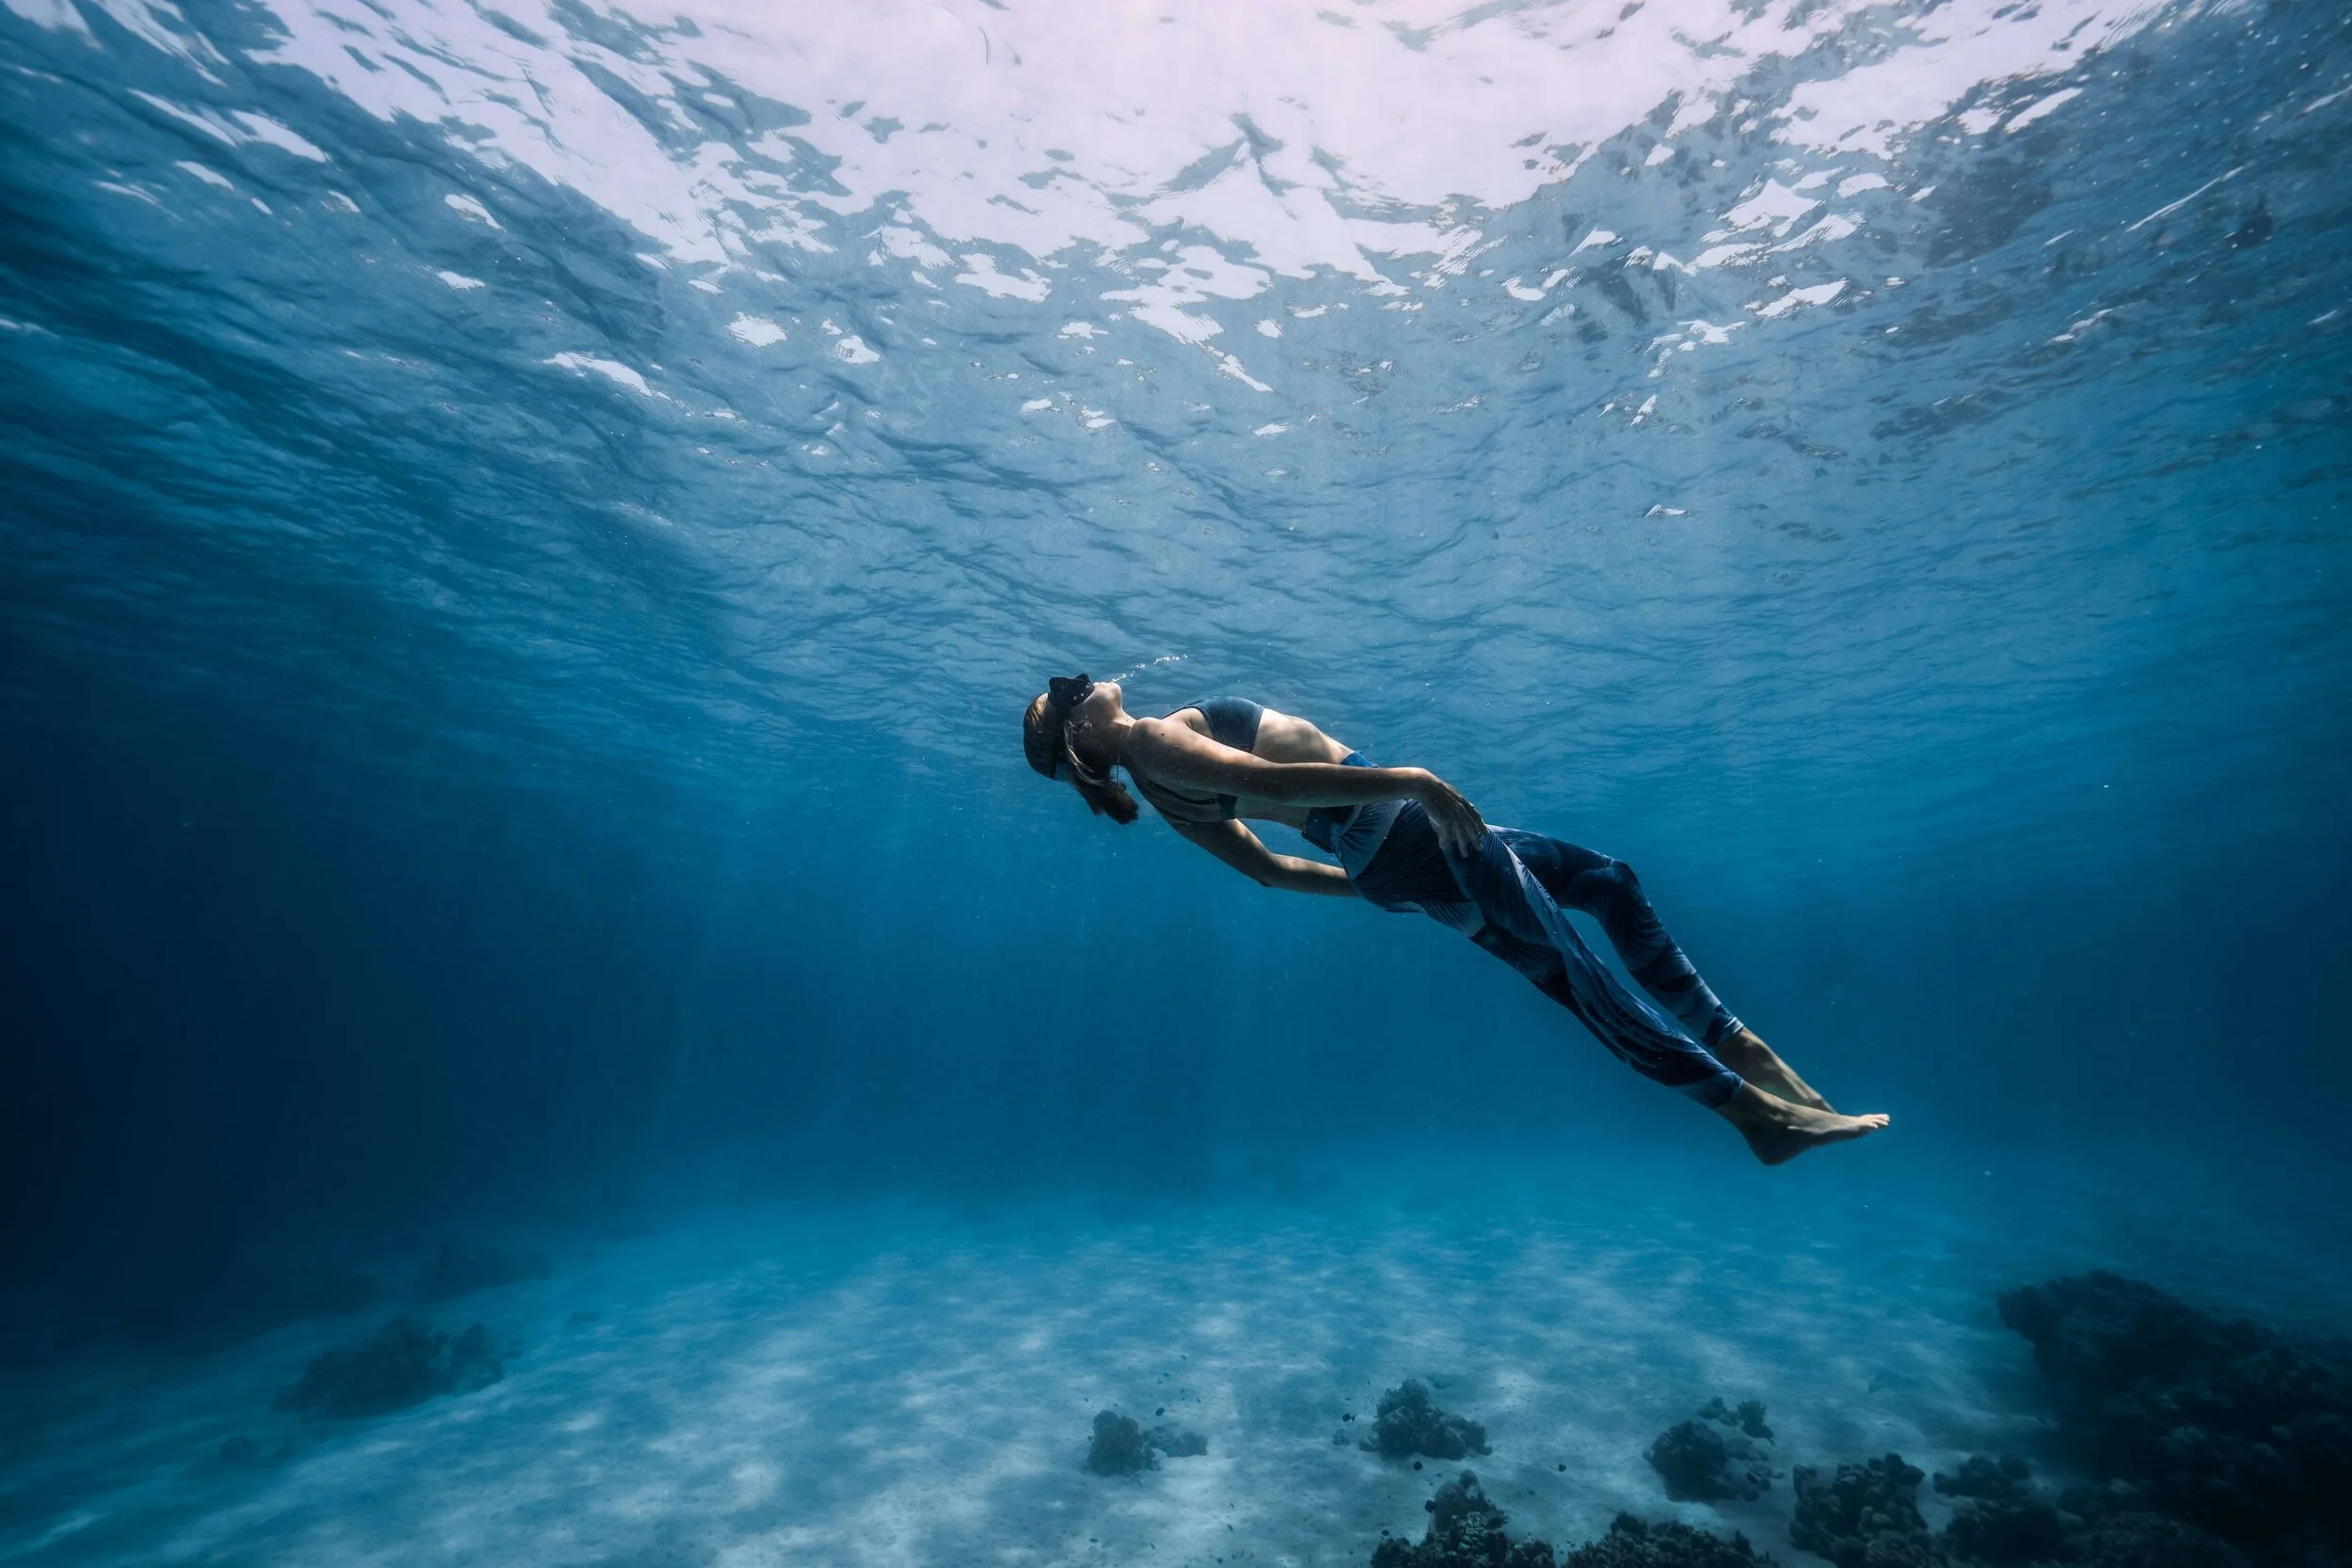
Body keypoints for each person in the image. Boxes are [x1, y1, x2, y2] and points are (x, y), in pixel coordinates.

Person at [1022, 674, 1889, 1164]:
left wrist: (1382, 888)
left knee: (1604, 889)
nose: (1082, 677)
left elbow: (1272, 873)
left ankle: (1755, 1068)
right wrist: (1416, 781)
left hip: (1395, 854)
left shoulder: (1159, 790)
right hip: (1404, 829)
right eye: (1068, 691)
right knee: (1578, 966)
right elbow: (1277, 788)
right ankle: (1756, 1112)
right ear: (1079, 737)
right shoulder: (1154, 743)